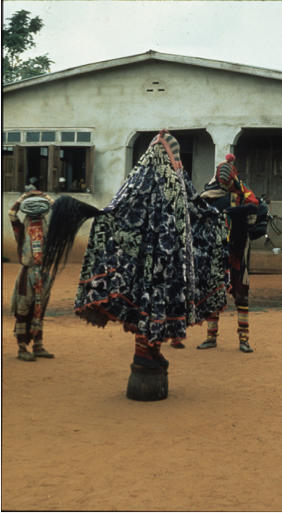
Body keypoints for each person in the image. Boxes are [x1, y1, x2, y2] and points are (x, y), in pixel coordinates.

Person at [43, 130, 230, 400]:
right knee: (152, 310)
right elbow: (193, 214)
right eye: (175, 157)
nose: (178, 163)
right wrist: (213, 217)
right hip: (162, 273)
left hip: (143, 279)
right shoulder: (171, 188)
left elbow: (117, 213)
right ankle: (148, 355)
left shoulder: (137, 187)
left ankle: (148, 354)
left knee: (144, 311)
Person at [171, 154, 259, 353]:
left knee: (241, 295)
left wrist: (234, 213)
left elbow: (255, 209)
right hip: (217, 254)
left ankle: (242, 339)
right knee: (214, 294)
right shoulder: (208, 198)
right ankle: (214, 337)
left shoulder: (240, 197)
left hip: (236, 253)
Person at [8, 188, 55, 361]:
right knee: (23, 309)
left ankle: (38, 346)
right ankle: (21, 348)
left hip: (42, 274)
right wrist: (24, 197)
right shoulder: (21, 230)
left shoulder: (49, 229)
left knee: (40, 309)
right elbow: (12, 213)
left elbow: (58, 212)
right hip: (27, 274)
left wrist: (46, 197)